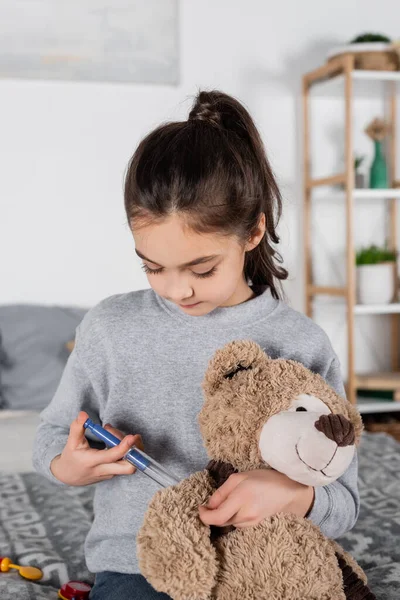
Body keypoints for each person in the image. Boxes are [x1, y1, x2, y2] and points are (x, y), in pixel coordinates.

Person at [33, 90, 359, 600]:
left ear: (253, 232)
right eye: (152, 266)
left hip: (266, 571)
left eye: (201, 268)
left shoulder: (300, 343)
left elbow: (343, 502)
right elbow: (53, 433)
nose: (177, 290)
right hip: (141, 566)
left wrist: (293, 495)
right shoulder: (110, 327)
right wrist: (67, 465)